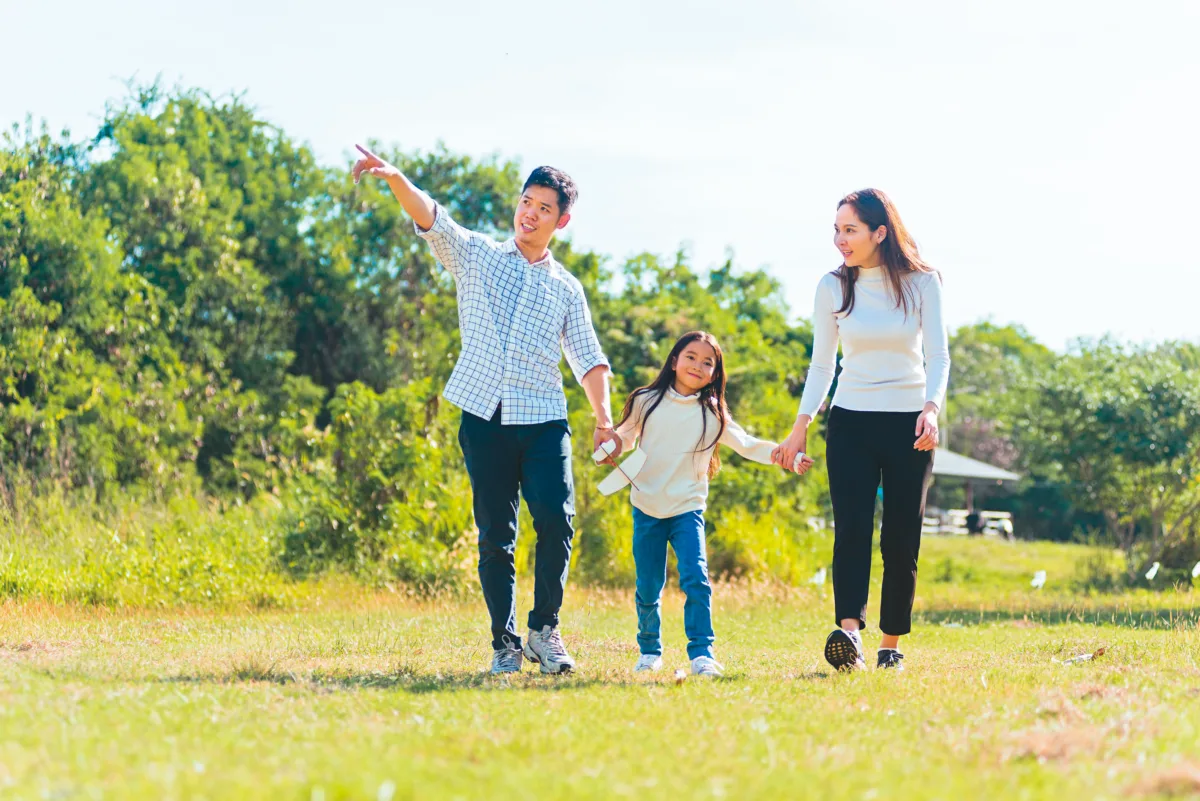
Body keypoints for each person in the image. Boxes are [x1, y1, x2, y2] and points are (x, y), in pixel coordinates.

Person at [352, 145, 621, 675]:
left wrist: (604, 418)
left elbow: (590, 361)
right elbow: (433, 218)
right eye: (526, 202)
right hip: (484, 417)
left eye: (544, 208)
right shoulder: (476, 256)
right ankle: (505, 642)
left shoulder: (567, 288)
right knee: (496, 534)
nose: (531, 213)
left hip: (544, 420)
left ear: (561, 221)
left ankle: (545, 631)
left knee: (557, 521)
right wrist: (396, 178)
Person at [774, 189, 949, 672]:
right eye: (836, 229)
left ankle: (890, 645)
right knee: (851, 529)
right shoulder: (832, 286)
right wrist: (800, 426)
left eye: (849, 230)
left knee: (900, 536)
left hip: (909, 421)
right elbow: (821, 364)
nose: (839, 240)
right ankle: (849, 636)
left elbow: (938, 355)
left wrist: (932, 408)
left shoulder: (922, 283)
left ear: (879, 232)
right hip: (850, 419)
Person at [610, 331, 814, 677]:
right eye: (690, 357)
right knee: (648, 584)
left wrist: (787, 457)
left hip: (687, 508)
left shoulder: (713, 413)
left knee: (696, 579)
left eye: (708, 362)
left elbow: (747, 445)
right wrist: (609, 444)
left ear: (715, 374)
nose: (698, 365)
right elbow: (624, 438)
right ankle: (649, 650)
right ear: (674, 361)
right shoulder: (647, 400)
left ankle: (702, 654)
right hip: (647, 506)